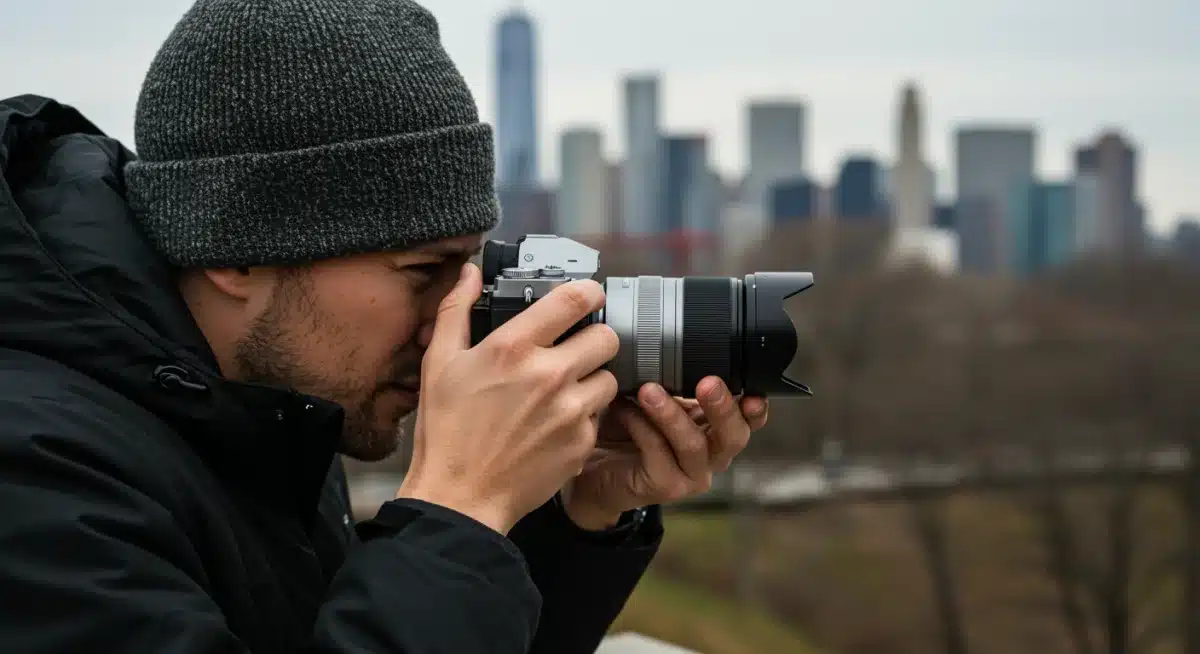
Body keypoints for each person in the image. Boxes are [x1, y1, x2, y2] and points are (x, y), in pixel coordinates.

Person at [0, 1, 770, 652]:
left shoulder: (259, 397)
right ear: (235, 251)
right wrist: (459, 508)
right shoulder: (35, 477)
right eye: (420, 273)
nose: (451, 326)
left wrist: (578, 520)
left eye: (471, 270)